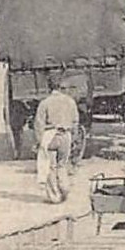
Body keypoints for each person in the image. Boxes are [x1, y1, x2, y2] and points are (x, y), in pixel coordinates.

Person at [32, 75, 82, 203]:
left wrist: (39, 141)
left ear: (49, 87)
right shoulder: (70, 101)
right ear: (61, 87)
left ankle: (54, 196)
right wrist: (74, 138)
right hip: (66, 135)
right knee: (62, 165)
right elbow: (75, 121)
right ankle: (65, 188)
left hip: (51, 136)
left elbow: (39, 124)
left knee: (50, 166)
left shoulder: (45, 103)